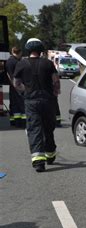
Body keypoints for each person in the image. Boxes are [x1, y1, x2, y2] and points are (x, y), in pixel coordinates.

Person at [13, 38, 60, 172]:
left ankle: (39, 162)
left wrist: (25, 91)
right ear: (41, 50)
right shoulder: (48, 64)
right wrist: (55, 93)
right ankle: (50, 154)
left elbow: (16, 83)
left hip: (31, 101)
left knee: (34, 129)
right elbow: (56, 82)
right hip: (48, 100)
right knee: (48, 127)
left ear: (28, 49)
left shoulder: (22, 64)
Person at [5, 46, 25, 127]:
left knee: (13, 104)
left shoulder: (8, 61)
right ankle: (23, 122)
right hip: (18, 86)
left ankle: (14, 121)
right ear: (19, 53)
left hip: (11, 86)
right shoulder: (17, 62)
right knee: (21, 104)